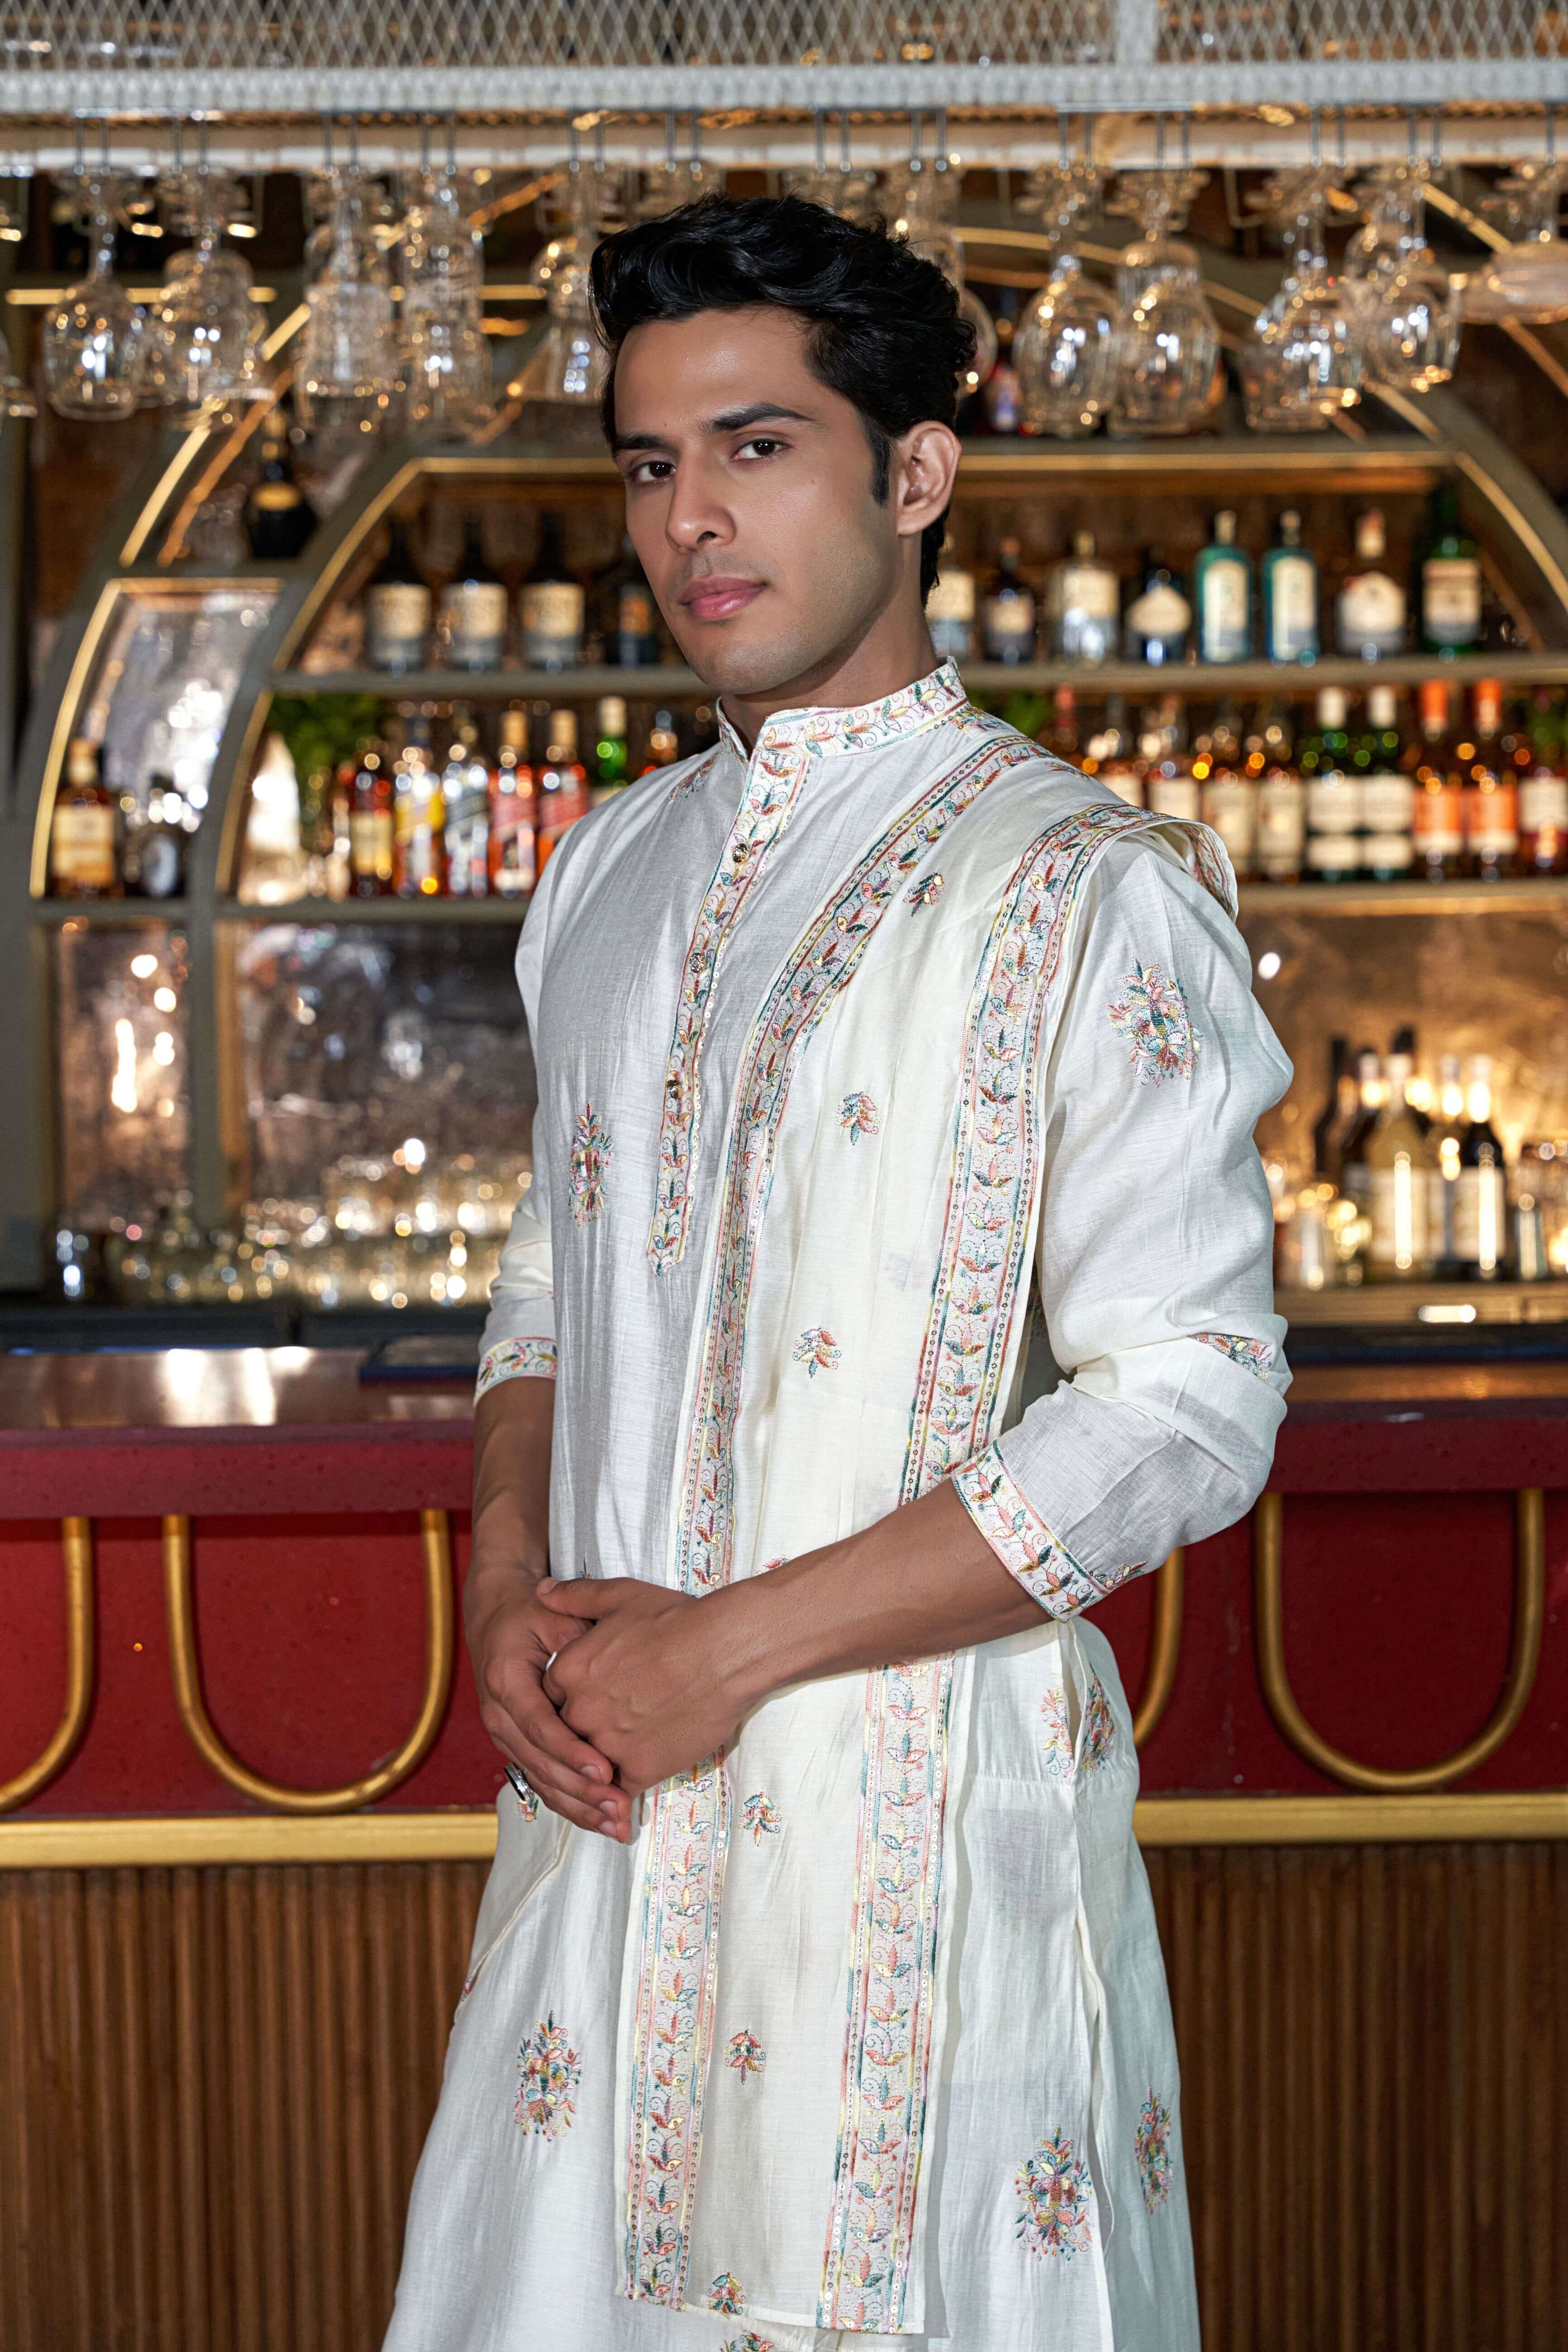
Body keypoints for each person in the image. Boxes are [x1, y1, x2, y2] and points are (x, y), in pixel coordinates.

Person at [385, 193, 1291, 2352]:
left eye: (757, 448)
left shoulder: (1081, 888)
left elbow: (1190, 1398)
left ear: (914, 473)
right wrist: (506, 1584)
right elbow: (545, 1289)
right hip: (604, 1833)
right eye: (645, 462)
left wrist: (739, 1652)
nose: (689, 520)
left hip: (916, 1848)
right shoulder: (604, 869)